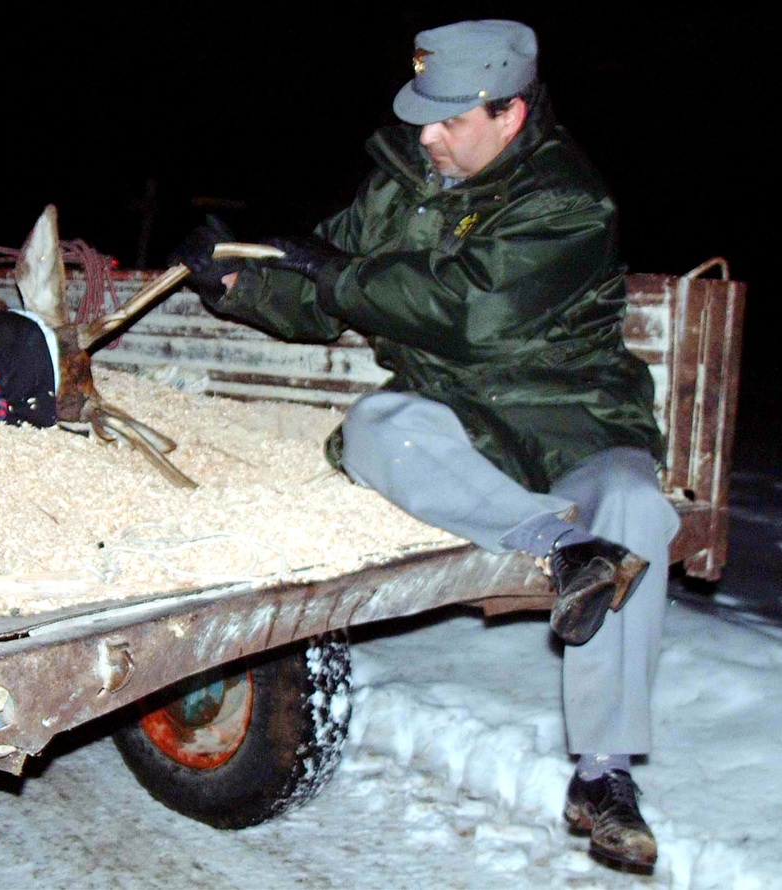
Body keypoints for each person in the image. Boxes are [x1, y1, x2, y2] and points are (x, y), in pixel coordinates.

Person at [170, 19, 678, 872]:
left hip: (575, 417)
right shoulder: (402, 183)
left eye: (448, 120)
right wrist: (235, 282)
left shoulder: (567, 201)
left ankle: (604, 775)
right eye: (422, 118)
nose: (427, 136)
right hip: (457, 419)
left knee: (636, 507)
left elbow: (468, 312)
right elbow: (322, 293)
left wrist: (332, 271)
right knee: (374, 428)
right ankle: (564, 547)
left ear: (510, 115)